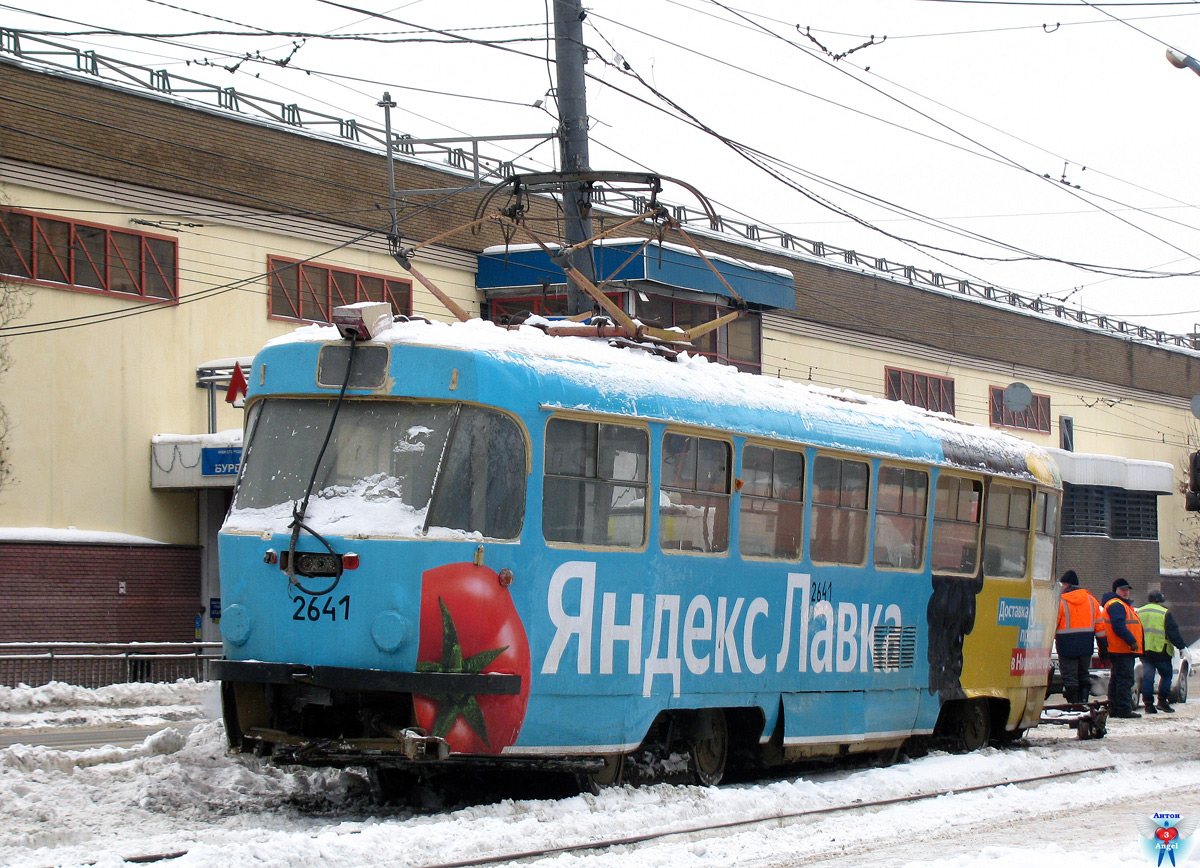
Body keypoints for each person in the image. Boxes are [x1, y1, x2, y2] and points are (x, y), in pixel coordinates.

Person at [1055, 570, 1105, 703]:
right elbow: (1100, 627)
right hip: (1086, 645)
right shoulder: (1091, 600)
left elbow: (1054, 623)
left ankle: (1074, 704)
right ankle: (1083, 701)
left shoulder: (1060, 602)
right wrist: (1103, 647)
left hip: (1066, 645)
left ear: (1066, 585)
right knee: (1083, 674)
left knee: (1070, 677)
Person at [1137, 590, 1187, 714]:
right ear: (1159, 601)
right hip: (1161, 650)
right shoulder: (1164, 613)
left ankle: (1148, 705)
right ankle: (1162, 702)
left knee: (1148, 677)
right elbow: (1173, 633)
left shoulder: (1139, 612)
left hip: (1145, 650)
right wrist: (1182, 647)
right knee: (1166, 676)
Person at [1101, 578, 1145, 718]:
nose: (1126, 593)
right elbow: (1118, 626)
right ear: (1115, 591)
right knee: (1125, 680)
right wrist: (1131, 641)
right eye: (1122, 590)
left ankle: (1114, 708)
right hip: (1121, 649)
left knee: (1117, 680)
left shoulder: (1119, 604)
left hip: (1119, 649)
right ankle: (1123, 709)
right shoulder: (1116, 605)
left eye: (1127, 590)